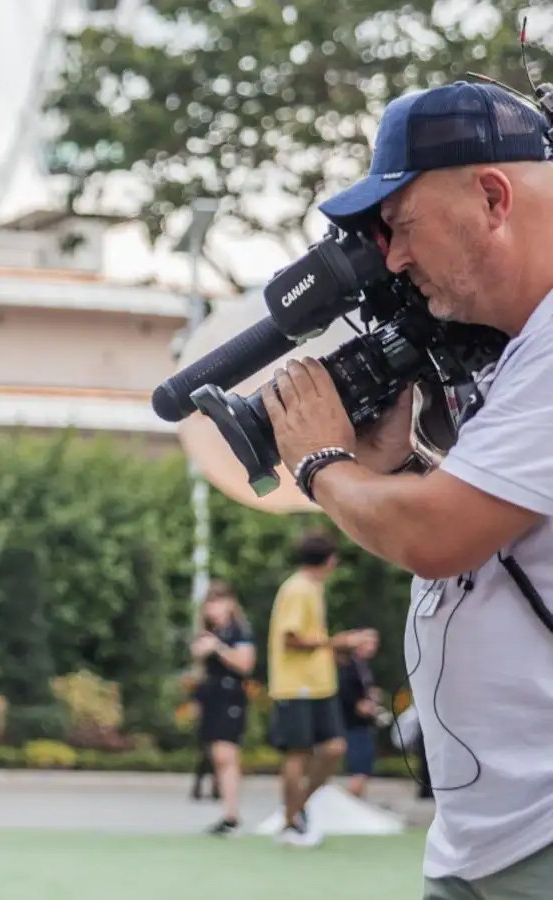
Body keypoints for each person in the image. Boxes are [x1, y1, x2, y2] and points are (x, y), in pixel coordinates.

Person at [264, 79, 553, 896]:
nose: (391, 258)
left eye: (402, 228)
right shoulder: (518, 352)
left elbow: (437, 536)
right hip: (491, 835)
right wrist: (397, 465)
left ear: (493, 198)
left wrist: (324, 461)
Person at [265, 531, 367, 847]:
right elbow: (290, 639)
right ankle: (291, 822)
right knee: (297, 752)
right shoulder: (297, 589)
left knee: (335, 746)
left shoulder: (312, 588)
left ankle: (296, 808)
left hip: (319, 685)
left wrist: (337, 648)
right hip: (295, 686)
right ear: (330, 560)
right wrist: (338, 641)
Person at [189, 580, 255, 836]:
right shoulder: (209, 631)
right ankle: (229, 812)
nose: (213, 609)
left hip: (231, 696)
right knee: (217, 754)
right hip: (212, 696)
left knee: (226, 753)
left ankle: (231, 814)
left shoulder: (239, 632)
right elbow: (196, 655)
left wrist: (218, 648)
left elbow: (245, 663)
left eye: (218, 602)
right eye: (210, 603)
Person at [337, 629, 383, 799]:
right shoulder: (347, 665)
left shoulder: (364, 667)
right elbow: (342, 690)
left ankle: (356, 798)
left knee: (365, 763)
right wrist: (357, 704)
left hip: (363, 722)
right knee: (359, 763)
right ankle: (350, 799)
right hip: (352, 722)